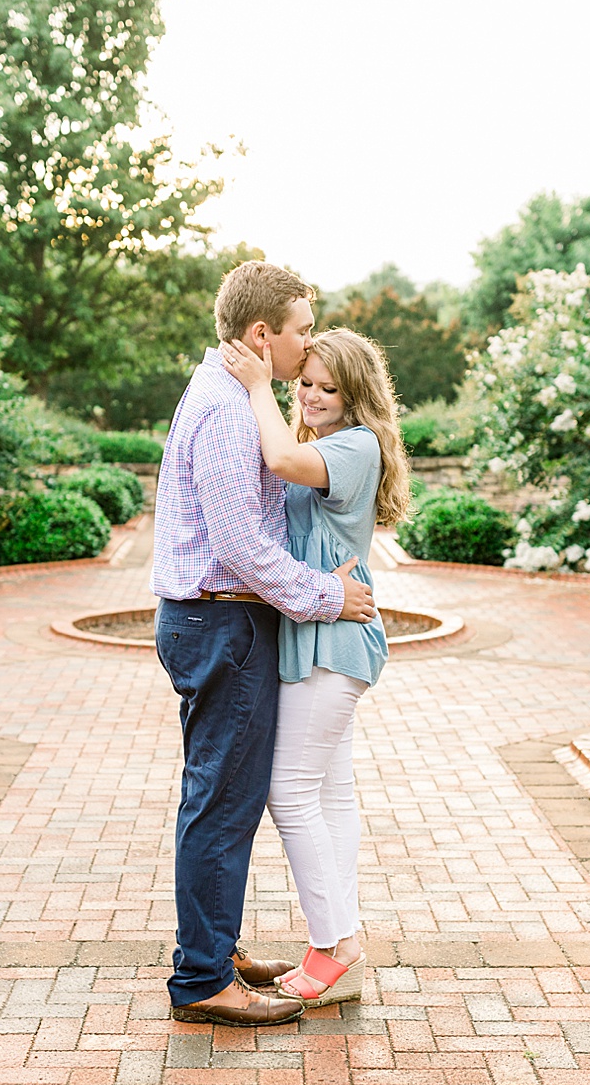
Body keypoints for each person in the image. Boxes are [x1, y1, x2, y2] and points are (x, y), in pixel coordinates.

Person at [149, 261, 378, 1028]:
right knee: (222, 800)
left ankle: (214, 948)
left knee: (228, 797)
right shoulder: (227, 409)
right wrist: (327, 596)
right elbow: (242, 543)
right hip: (222, 620)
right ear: (261, 334)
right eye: (301, 330)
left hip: (227, 620)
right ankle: (203, 977)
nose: (306, 344)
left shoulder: (232, 397)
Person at [219, 326, 411, 1007]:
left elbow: (275, 458)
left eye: (331, 387)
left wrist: (254, 385)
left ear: (358, 396)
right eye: (307, 383)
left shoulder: (355, 446)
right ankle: (341, 943)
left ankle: (337, 944)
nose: (313, 395)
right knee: (329, 793)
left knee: (288, 790)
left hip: (336, 643)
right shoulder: (321, 444)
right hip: (319, 635)